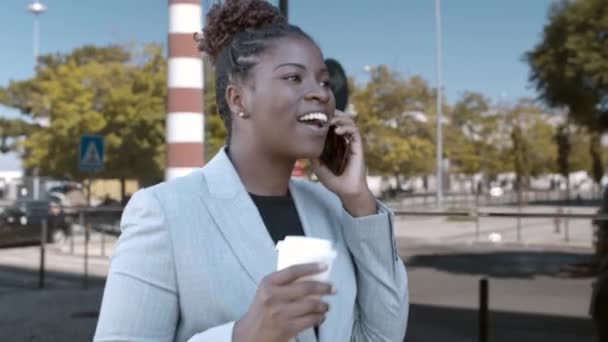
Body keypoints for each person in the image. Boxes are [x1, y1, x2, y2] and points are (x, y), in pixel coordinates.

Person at [94, 1, 408, 341]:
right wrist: (243, 335)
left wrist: (359, 200)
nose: (319, 93)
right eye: (293, 77)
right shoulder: (163, 213)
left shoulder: (335, 208)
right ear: (238, 99)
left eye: (324, 82)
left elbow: (382, 337)